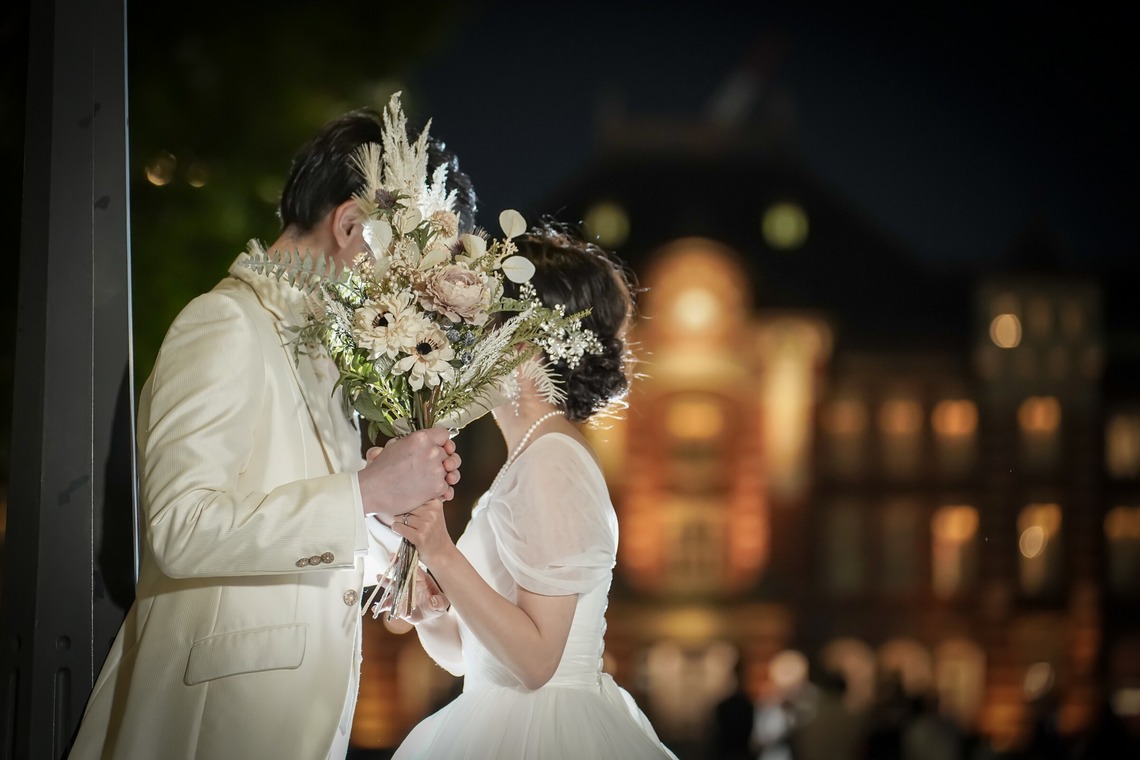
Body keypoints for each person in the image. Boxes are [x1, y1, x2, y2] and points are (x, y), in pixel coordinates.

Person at [67, 109, 471, 760]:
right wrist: (365, 492)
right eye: (398, 263)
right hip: (211, 726)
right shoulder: (222, 322)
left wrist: (390, 568)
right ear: (348, 225)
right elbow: (182, 528)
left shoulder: (322, 354)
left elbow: (284, 523)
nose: (404, 293)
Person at [384, 220, 678, 759]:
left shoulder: (552, 463)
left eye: (483, 326)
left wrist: (441, 552)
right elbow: (474, 656)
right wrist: (431, 612)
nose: (465, 347)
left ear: (523, 346)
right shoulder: (529, 456)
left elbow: (538, 661)